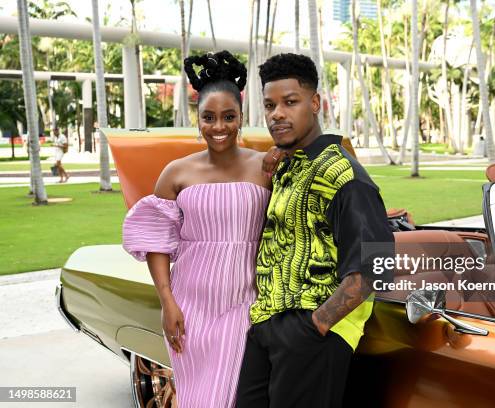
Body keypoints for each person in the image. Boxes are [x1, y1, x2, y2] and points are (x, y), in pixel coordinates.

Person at [235, 53, 395, 408]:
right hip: (267, 325)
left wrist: (318, 323)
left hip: (312, 333)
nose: (277, 113)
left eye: (290, 102)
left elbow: (376, 265)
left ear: (316, 103)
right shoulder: (289, 166)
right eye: (270, 105)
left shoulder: (345, 177)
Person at [122, 50, 275, 407]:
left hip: (246, 300)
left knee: (231, 391)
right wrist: (167, 302)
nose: (218, 127)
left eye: (228, 117)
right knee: (197, 396)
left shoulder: (266, 167)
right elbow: (157, 242)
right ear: (198, 119)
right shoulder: (176, 173)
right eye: (209, 117)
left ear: (241, 118)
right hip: (189, 304)